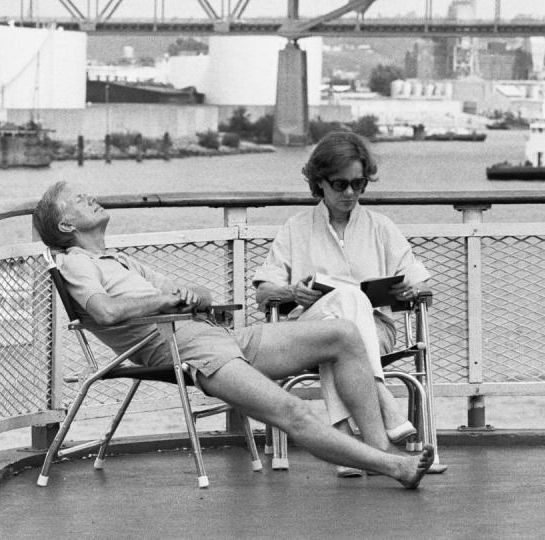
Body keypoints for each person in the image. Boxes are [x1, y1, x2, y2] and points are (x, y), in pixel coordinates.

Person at [33, 180, 434, 489]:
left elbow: (199, 295)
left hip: (217, 335)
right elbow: (103, 312)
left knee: (344, 335)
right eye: (79, 200)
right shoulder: (78, 263)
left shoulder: (119, 260)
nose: (91, 198)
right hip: (187, 351)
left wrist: (193, 296)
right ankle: (394, 466)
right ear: (67, 224)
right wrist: (163, 302)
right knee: (291, 410)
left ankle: (380, 444)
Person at [253, 130, 431, 478]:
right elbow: (263, 292)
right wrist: (291, 293)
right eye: (340, 184)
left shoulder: (381, 227)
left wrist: (412, 290)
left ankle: (345, 441)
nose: (350, 193)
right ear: (319, 182)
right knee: (344, 305)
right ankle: (382, 423)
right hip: (311, 335)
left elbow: (420, 279)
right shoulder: (296, 228)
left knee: (345, 321)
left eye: (359, 184)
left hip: (374, 333)